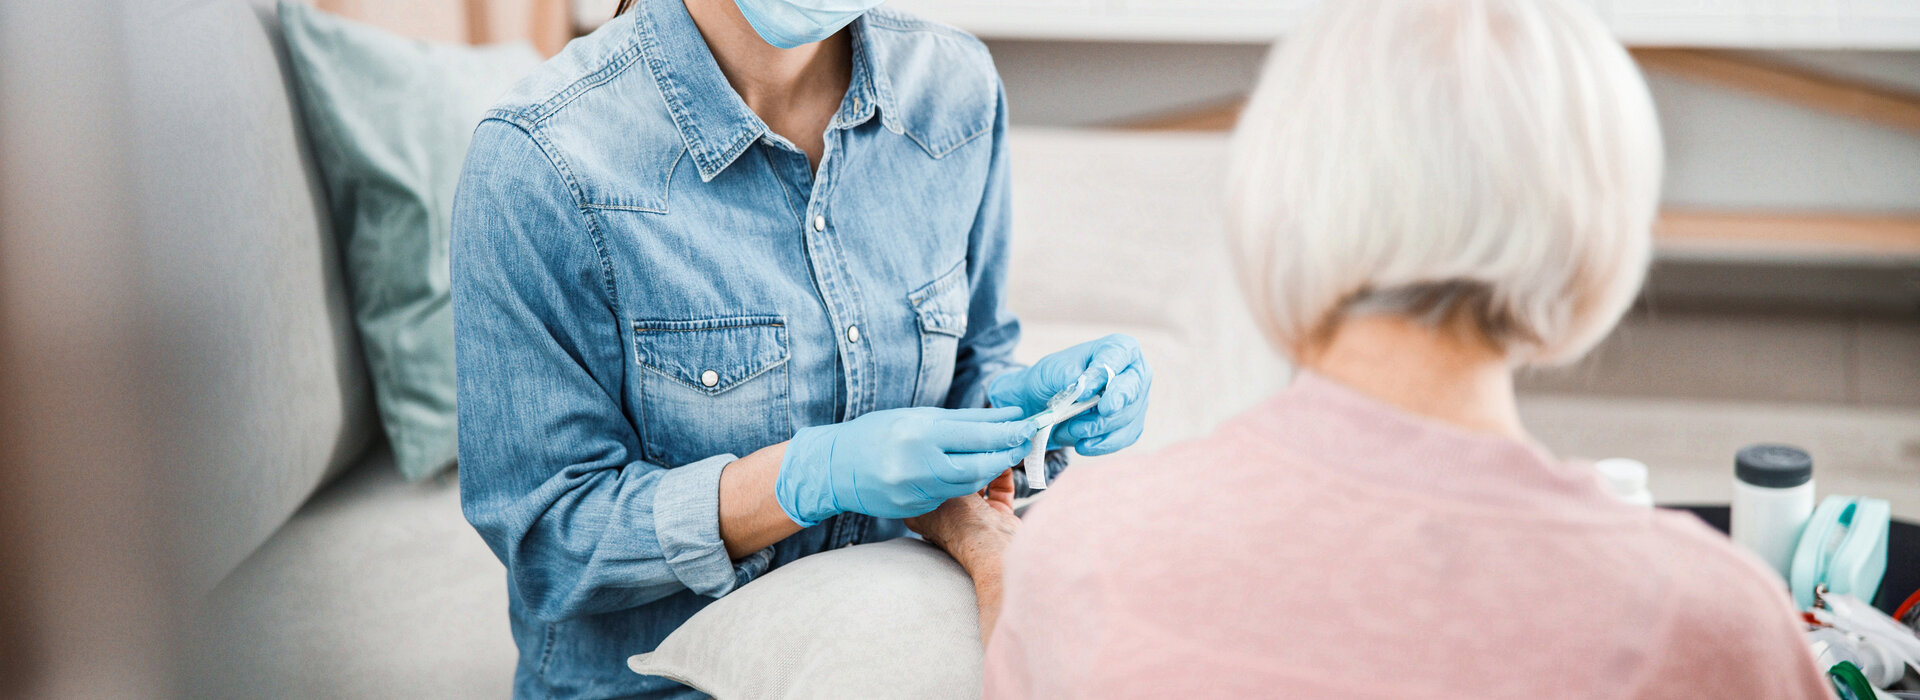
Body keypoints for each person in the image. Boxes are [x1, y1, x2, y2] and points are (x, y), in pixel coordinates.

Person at [906, 0, 1832, 697]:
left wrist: (998, 555)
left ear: (1276, 202)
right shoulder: (1711, 620)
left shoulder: (1086, 542)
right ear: (1598, 231)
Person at [448, 0, 1153, 696]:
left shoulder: (954, 87)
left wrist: (1031, 415)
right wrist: (806, 475)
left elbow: (973, 359)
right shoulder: (539, 160)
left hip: (889, 635)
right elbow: (548, 545)